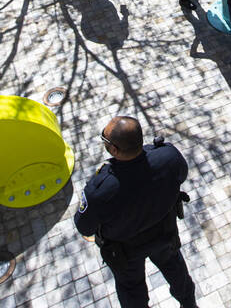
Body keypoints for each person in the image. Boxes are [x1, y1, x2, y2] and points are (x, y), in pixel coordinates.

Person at [75, 116, 198, 308]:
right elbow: (180, 175)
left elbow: (84, 226)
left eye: (104, 139)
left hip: (125, 251)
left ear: (114, 149)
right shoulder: (168, 157)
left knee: (132, 292)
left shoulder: (100, 190)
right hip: (164, 233)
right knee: (176, 272)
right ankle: (189, 304)